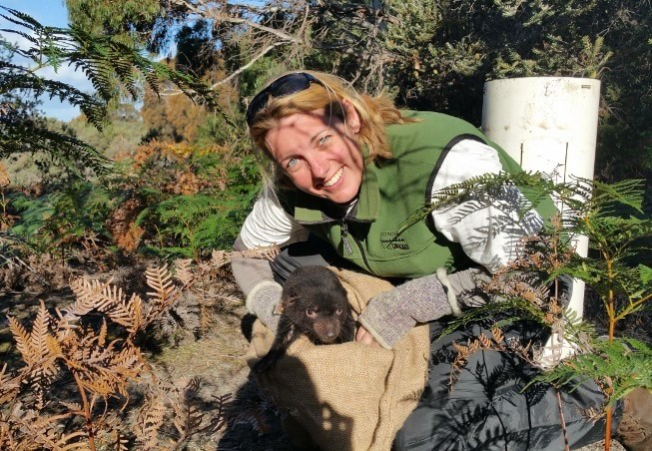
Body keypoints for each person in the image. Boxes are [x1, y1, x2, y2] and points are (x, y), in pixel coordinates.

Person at [231, 70, 650, 450]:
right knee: (288, 263)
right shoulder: (290, 187)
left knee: (421, 440)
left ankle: (598, 401)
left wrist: (404, 306)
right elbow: (247, 254)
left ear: (351, 119)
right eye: (293, 161)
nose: (318, 169)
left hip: (504, 297)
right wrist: (273, 304)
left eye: (323, 139)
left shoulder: (441, 161)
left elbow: (536, 274)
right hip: (398, 283)